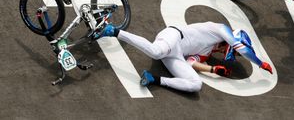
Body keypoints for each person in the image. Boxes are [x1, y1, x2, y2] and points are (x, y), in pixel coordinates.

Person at [95, 22, 272, 93]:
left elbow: (190, 63)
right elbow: (240, 47)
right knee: (155, 51)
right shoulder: (220, 29)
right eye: (233, 51)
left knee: (196, 85)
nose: (230, 54)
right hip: (173, 37)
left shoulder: (208, 53)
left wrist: (212, 69)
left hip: (175, 54)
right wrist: (260, 62)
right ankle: (114, 31)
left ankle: (153, 79)